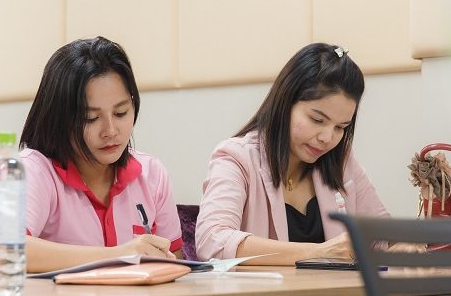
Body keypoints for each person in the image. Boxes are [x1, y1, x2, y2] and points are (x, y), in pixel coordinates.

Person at [196, 43, 388, 265]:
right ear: (285, 102)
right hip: (268, 290)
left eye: (340, 127)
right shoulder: (237, 157)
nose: (327, 138)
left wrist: (405, 246)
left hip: (336, 289)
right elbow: (212, 241)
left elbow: (382, 237)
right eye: (317, 120)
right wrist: (318, 252)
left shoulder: (340, 159)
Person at [20, 36, 182, 273]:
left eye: (121, 113)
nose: (110, 131)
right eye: (91, 118)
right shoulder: (34, 171)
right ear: (58, 118)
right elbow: (4, 250)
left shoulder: (151, 173)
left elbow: (174, 260)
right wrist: (119, 255)